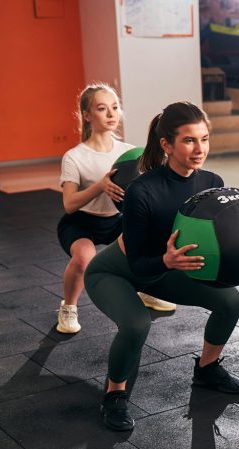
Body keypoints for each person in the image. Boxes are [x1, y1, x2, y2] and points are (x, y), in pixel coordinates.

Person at [84, 102, 239, 430]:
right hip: (118, 271)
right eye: (189, 140)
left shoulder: (212, 181)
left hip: (165, 268)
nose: (199, 149)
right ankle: (115, 395)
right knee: (137, 324)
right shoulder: (143, 190)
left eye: (204, 139)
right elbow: (139, 264)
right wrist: (167, 260)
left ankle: (207, 369)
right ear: (166, 145)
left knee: (231, 300)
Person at [56, 84, 176, 334]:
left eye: (114, 108)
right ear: (87, 115)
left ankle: (147, 291)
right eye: (102, 108)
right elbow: (69, 204)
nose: (111, 114)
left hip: (118, 220)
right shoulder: (75, 156)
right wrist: (101, 186)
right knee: (83, 259)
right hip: (81, 221)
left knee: (145, 245)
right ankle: (68, 306)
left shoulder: (129, 152)